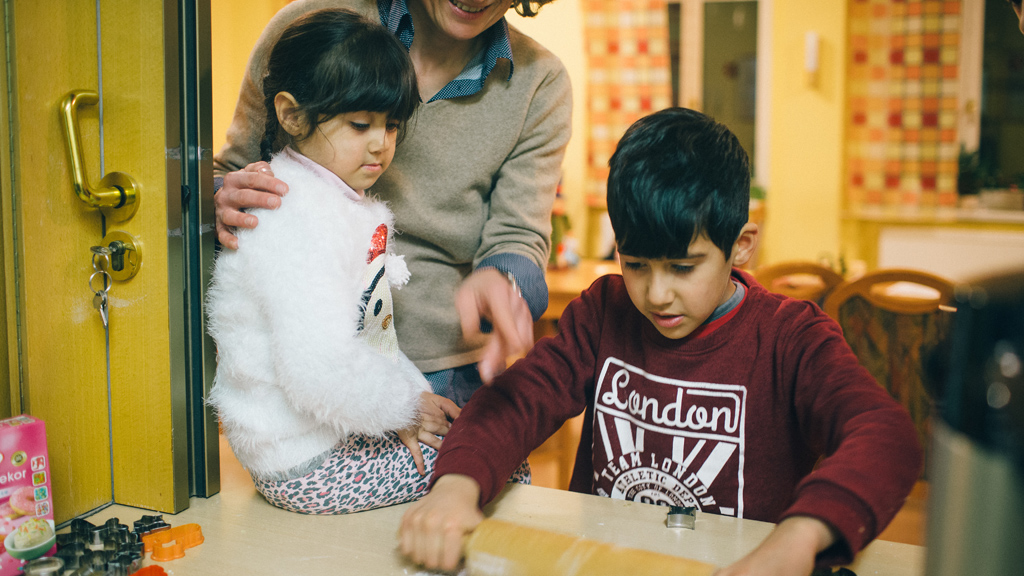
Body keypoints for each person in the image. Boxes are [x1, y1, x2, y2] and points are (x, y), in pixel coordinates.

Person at [398, 108, 923, 574]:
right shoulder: (604, 312)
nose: (657, 294)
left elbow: (885, 436)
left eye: (682, 266)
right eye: (636, 264)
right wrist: (456, 487)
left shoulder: (791, 338)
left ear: (741, 246)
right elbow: (517, 401)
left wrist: (798, 538)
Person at [213, 0, 572, 405]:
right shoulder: (306, 25)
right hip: (305, 363)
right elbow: (228, 172)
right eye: (361, 125)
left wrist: (505, 281)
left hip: (446, 370)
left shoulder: (539, 81)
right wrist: (223, 197)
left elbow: (519, 236)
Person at [207, 9, 470, 515]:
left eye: (392, 126)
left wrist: (414, 402)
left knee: (473, 439)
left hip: (324, 438)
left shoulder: (334, 200)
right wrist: (407, 408)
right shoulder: (291, 214)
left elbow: (374, 335)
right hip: (305, 463)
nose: (381, 144)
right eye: (360, 124)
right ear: (292, 114)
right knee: (488, 461)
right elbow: (318, 370)